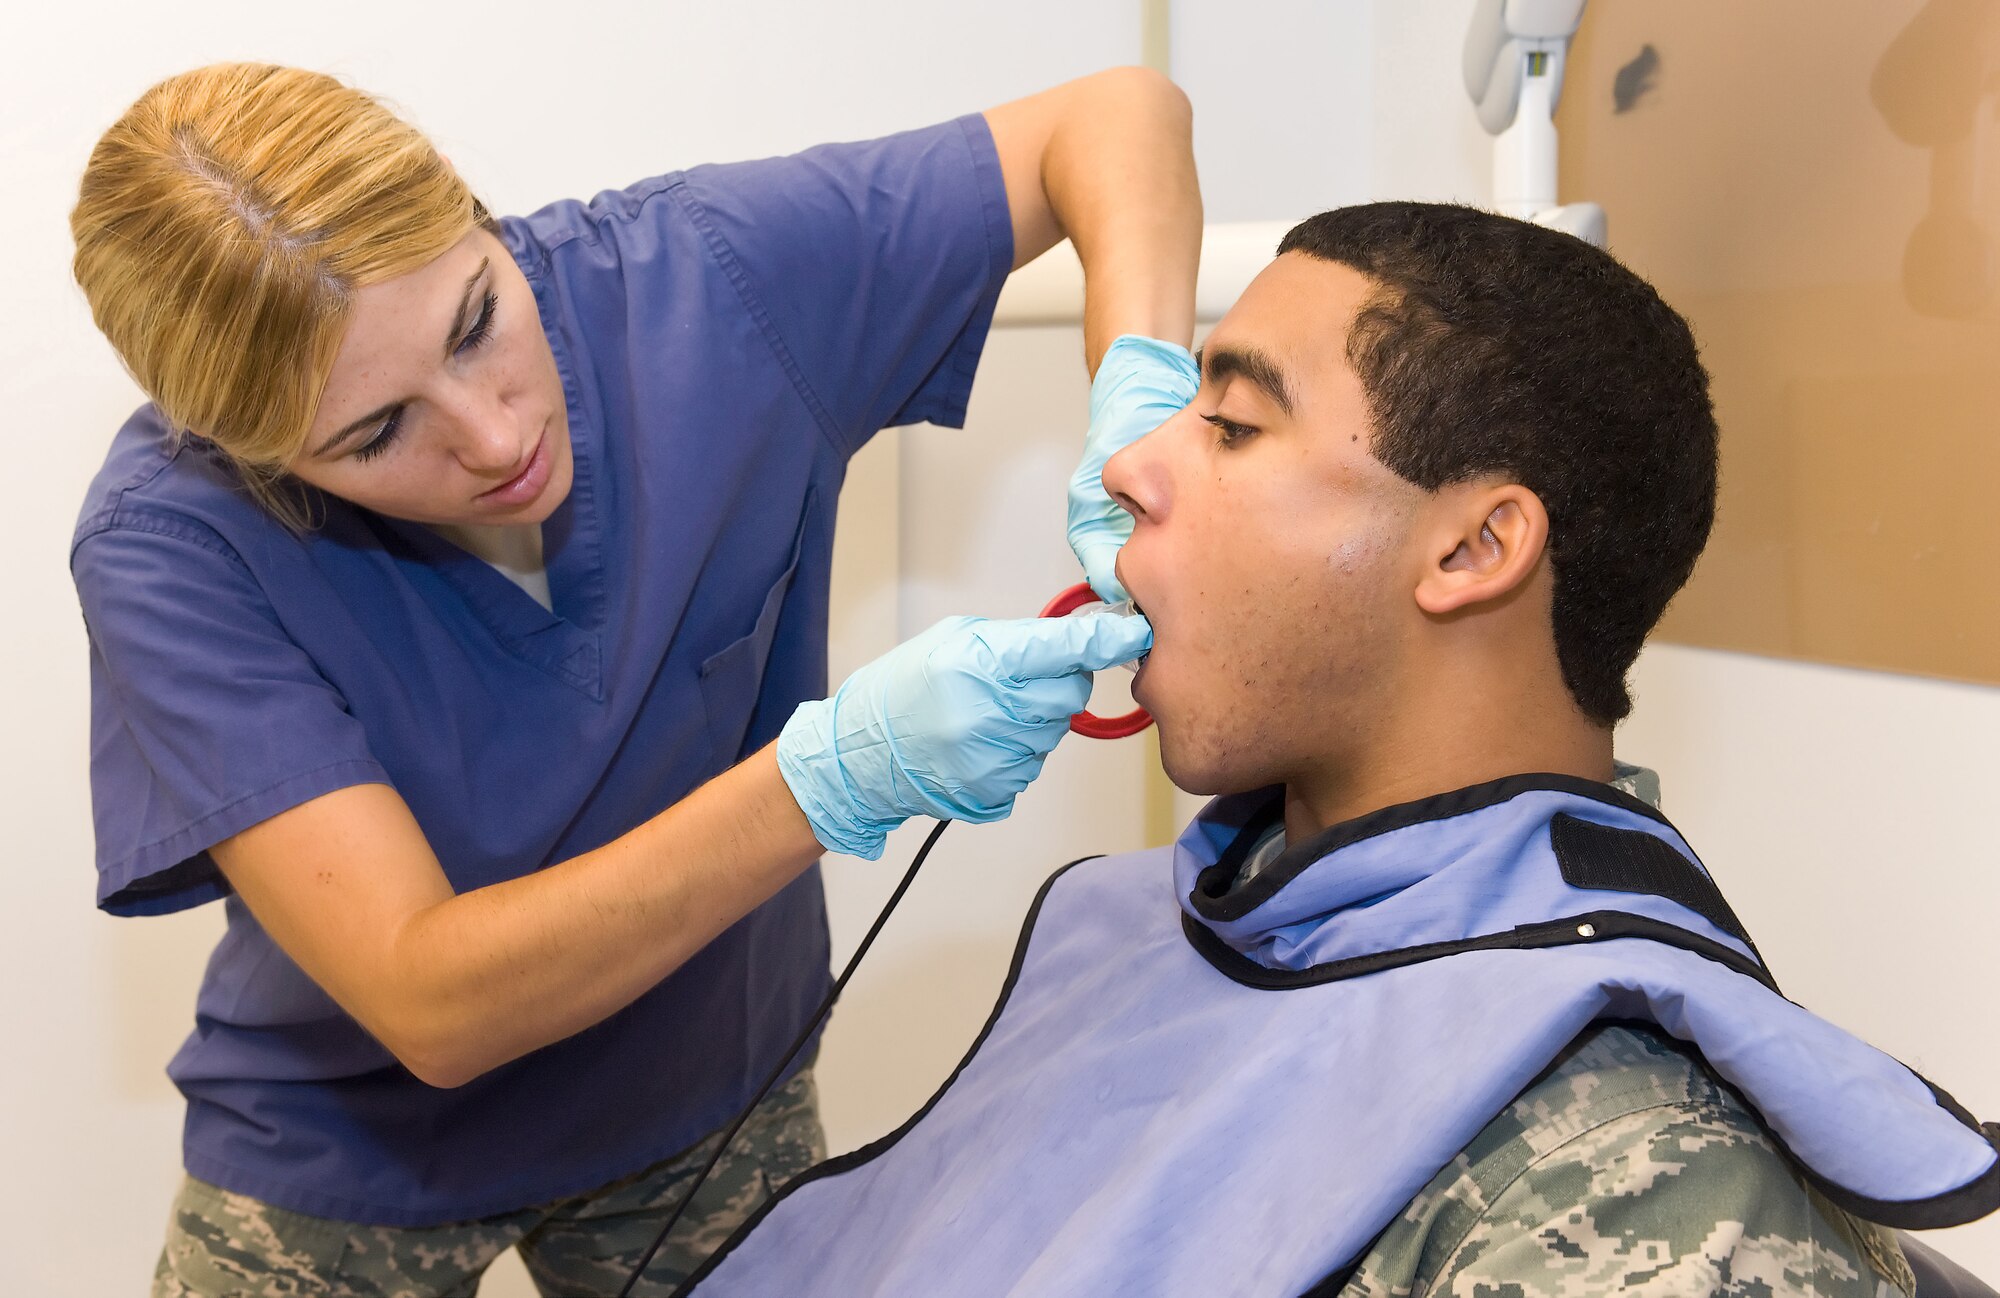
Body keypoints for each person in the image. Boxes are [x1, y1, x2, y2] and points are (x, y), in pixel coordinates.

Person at [672, 203, 2000, 1297]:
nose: (1128, 467)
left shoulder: (1612, 1183)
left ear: (1474, 549)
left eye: (1233, 426)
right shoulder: (1179, 919)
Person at [69, 61, 1194, 1296]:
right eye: (376, 433)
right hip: (350, 1143)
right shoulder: (173, 546)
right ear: (255, 458)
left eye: (475, 319)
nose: (495, 438)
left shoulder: (704, 284)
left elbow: (1114, 119)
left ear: (476, 211)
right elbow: (430, 1000)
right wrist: (827, 780)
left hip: (702, 1093)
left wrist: (1137, 403)